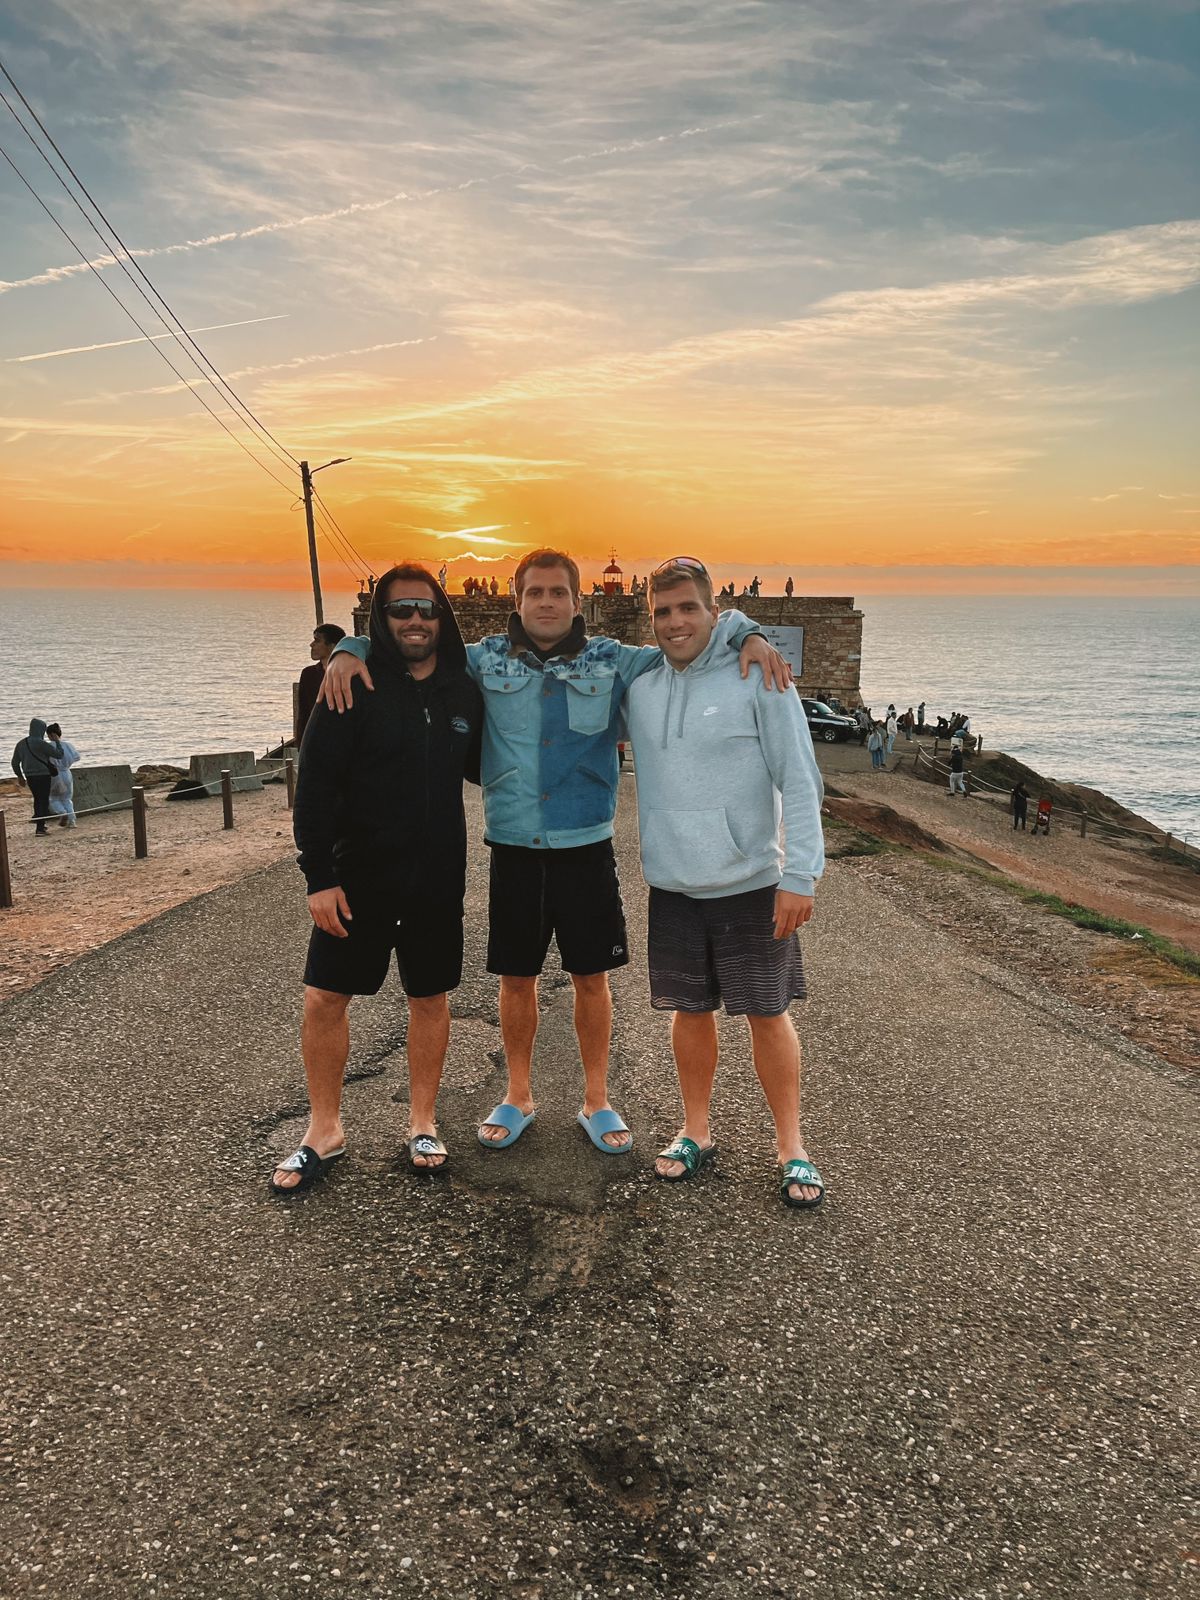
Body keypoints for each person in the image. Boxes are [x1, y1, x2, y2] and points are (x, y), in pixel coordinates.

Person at [322, 548, 791, 1157]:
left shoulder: (616, 662)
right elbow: (408, 649)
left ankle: (597, 1098)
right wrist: (348, 648)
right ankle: (518, 1093)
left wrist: (746, 633)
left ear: (578, 600)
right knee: (516, 981)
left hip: (585, 848)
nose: (547, 603)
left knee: (590, 980)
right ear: (517, 600)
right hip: (514, 847)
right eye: (535, 592)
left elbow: (693, 640)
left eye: (558, 593)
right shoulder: (480, 661)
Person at [271, 565, 482, 1194]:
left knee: (429, 999)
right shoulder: (349, 684)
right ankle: (324, 1128)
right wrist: (319, 876)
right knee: (324, 999)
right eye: (399, 610)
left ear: (443, 617)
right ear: (380, 620)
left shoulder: (462, 691)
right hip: (356, 878)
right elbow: (314, 789)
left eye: (426, 609)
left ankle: (422, 1120)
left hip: (436, 877)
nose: (414, 620)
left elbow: (484, 767)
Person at [624, 559, 826, 1208]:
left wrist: (800, 874)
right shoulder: (642, 685)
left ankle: (791, 1147)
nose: (676, 621)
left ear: (715, 611)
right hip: (675, 886)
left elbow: (800, 777)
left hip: (751, 883)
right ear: (650, 618)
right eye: (663, 611)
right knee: (691, 1014)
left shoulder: (757, 675)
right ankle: (696, 1132)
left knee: (768, 1014)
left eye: (689, 608)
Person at [295, 623, 347, 744]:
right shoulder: (308, 674)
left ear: (332, 645)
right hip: (314, 740)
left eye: (317, 641)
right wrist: (301, 745)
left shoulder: (348, 673)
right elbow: (303, 713)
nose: (311, 645)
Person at [11, 719, 64, 837]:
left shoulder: (21, 744)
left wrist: (19, 776)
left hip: (29, 776)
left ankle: (40, 824)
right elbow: (59, 754)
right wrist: (57, 741)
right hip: (43, 775)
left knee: (37, 799)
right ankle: (40, 829)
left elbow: (15, 762)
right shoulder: (41, 743)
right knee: (43, 800)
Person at [45, 723, 80, 828]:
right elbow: (77, 757)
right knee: (67, 798)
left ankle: (62, 812)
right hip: (67, 772)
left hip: (55, 773)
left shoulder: (49, 746)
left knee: (53, 797)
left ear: (51, 735)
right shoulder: (68, 745)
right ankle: (72, 821)